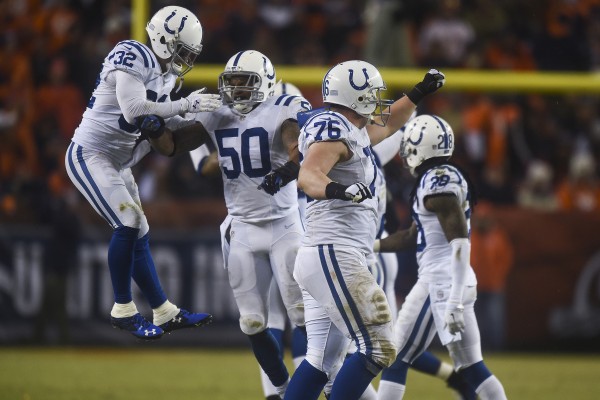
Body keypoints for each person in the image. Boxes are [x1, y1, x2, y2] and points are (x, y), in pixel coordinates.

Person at [283, 61, 445, 400]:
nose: (377, 101)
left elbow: (390, 122)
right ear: (353, 96)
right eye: (370, 94)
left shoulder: (351, 127)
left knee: (322, 361)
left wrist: (418, 92)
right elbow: (309, 175)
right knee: (380, 345)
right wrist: (338, 190)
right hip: (334, 251)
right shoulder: (332, 127)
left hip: (329, 252)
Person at [64, 5, 221, 340]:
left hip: (119, 163)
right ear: (165, 39)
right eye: (182, 49)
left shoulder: (164, 78)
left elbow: (170, 123)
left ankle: (164, 311)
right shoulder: (132, 53)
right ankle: (123, 309)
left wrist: (207, 117)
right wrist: (185, 105)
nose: (185, 58)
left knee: (140, 228)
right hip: (90, 153)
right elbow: (134, 109)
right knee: (129, 223)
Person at [189, 51, 311, 398]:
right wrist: (161, 120)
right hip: (242, 226)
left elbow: (299, 148)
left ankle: (321, 385)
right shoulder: (216, 113)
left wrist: (288, 169)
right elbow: (183, 150)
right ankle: (281, 391)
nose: (238, 89)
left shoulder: (284, 107)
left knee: (303, 315)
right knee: (254, 322)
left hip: (285, 223)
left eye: (246, 81)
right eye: (233, 82)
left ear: (267, 83)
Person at [374, 114, 507, 399]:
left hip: (442, 283)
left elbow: (460, 244)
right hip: (445, 279)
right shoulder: (439, 177)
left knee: (397, 358)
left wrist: (455, 299)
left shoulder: (438, 182)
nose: (406, 152)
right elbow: (412, 236)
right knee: (471, 368)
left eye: (410, 146)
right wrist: (370, 246)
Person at [470, 201, 514, 351]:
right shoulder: (469, 236)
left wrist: (498, 276)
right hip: (473, 287)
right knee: (474, 320)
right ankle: (475, 350)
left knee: (495, 319)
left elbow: (505, 259)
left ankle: (497, 349)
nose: (482, 221)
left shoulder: (497, 235)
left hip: (494, 285)